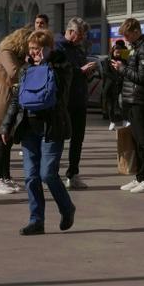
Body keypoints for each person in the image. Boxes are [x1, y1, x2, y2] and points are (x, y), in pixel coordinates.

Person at [0, 29, 76, 235]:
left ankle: (67, 208)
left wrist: (46, 63)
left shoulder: (62, 66)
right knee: (31, 177)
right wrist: (6, 126)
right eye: (32, 49)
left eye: (38, 49)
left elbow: (62, 92)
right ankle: (36, 220)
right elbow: (17, 99)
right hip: (28, 129)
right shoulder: (25, 69)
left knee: (47, 174)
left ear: (49, 49)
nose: (34, 53)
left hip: (52, 127)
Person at [117, 18, 144, 192]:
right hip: (133, 99)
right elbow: (135, 62)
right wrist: (123, 57)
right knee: (136, 140)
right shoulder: (138, 48)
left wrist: (122, 69)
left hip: (140, 100)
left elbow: (143, 77)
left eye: (127, 35)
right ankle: (140, 176)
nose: (125, 39)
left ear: (136, 31)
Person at [0, 27, 31, 194]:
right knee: (2, 141)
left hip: (9, 100)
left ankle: (5, 177)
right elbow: (14, 73)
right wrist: (29, 63)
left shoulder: (14, 53)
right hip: (2, 100)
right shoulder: (6, 52)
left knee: (7, 142)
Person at [55, 18, 95, 190]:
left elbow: (79, 70)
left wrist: (88, 72)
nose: (82, 38)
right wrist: (80, 71)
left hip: (79, 99)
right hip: (64, 100)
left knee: (78, 139)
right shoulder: (58, 46)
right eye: (80, 35)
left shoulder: (78, 49)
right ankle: (52, 173)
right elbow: (60, 69)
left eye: (84, 35)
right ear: (70, 31)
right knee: (58, 138)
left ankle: (73, 174)